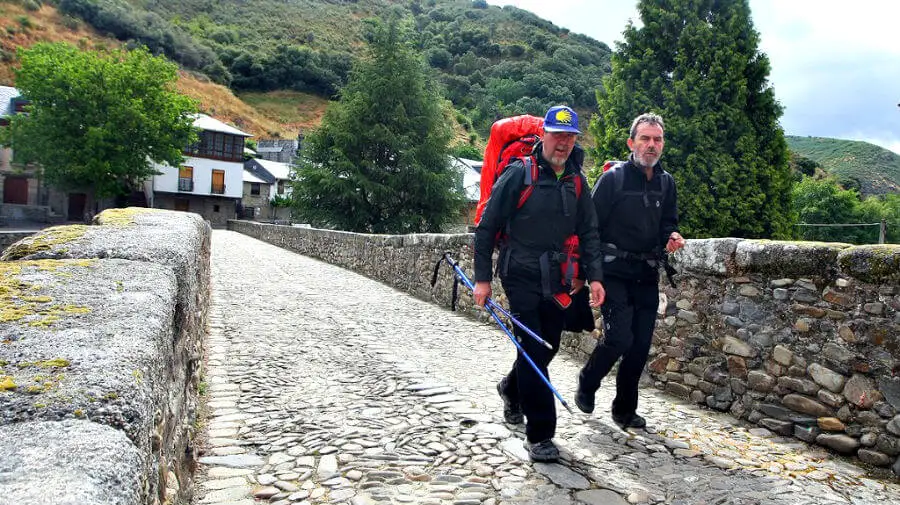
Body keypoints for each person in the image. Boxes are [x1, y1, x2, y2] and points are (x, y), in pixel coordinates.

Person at [473, 105, 606, 462]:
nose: (562, 143)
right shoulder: (520, 174)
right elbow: (486, 228)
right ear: (543, 135)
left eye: (569, 137)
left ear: (575, 141)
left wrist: (595, 276)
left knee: (547, 347)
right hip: (520, 274)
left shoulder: (577, 182)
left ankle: (510, 388)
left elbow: (590, 232)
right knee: (533, 349)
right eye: (557, 134)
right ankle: (541, 434)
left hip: (557, 278)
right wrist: (482, 279)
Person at [574, 113, 686, 429]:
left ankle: (624, 410)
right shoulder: (614, 179)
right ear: (632, 142)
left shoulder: (667, 182)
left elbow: (668, 223)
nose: (651, 145)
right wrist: (589, 274)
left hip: (647, 273)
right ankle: (588, 378)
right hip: (614, 272)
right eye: (645, 138)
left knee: (639, 347)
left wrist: (672, 236)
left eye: (657, 139)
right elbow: (590, 228)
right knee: (619, 338)